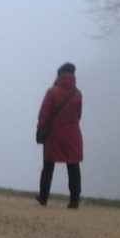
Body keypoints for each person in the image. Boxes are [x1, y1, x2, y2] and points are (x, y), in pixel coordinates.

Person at [36, 62, 83, 208]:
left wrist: (40, 129)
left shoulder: (52, 92)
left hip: (54, 134)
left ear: (60, 75)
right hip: (72, 133)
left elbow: (44, 115)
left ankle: (43, 197)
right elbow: (78, 115)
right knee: (73, 166)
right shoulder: (78, 94)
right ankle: (74, 199)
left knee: (48, 165)